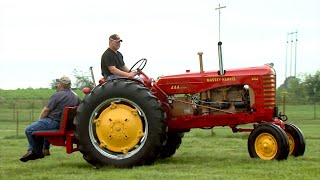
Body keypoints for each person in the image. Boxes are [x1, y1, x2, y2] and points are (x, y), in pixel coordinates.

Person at [20, 76, 80, 162]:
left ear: (60, 85)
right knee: (37, 128)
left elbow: (46, 110)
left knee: (29, 130)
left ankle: (37, 152)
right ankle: (35, 150)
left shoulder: (57, 95)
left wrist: (40, 121)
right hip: (65, 124)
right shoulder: (75, 96)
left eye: (58, 84)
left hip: (53, 121)